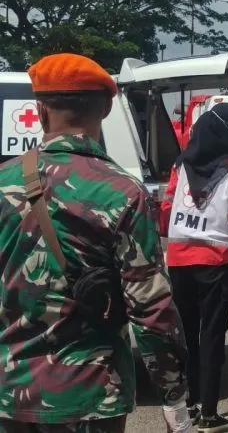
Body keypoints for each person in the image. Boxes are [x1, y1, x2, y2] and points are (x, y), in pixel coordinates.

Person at [0, 53, 190, 432]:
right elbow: (152, 310)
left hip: (9, 394)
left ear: (39, 111)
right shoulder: (123, 192)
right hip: (88, 396)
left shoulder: (3, 181)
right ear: (105, 109)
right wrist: (173, 393)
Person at [160, 102, 228, 432]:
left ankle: (187, 404)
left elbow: (168, 204)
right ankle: (209, 413)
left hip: (179, 258)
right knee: (212, 334)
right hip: (215, 261)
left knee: (185, 333)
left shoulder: (181, 164)